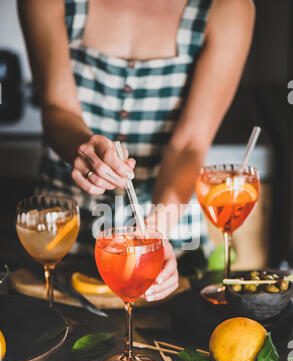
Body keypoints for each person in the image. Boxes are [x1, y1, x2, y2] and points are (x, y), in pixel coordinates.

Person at [18, 0, 255, 302]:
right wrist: (83, 148)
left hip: (172, 238)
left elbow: (189, 144)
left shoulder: (228, 8)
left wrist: (155, 235)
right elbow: (56, 107)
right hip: (61, 238)